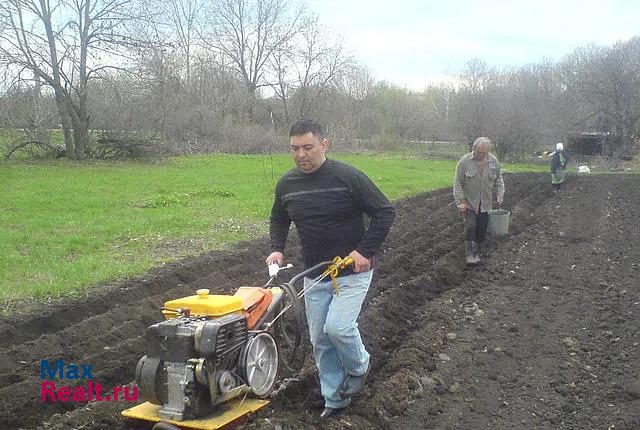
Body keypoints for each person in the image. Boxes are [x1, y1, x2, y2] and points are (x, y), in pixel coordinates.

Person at [265, 119, 395, 419]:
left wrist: (364, 251)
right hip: (314, 273)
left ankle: (359, 365)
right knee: (320, 340)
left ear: (325, 144)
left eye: (307, 147)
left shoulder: (347, 177)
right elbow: (279, 218)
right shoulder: (287, 184)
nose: (301, 155)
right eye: (294, 148)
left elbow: (385, 212)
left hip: (351, 272)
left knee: (338, 328)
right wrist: (277, 246)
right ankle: (334, 400)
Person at [453, 137, 505, 265]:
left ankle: (477, 251)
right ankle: (469, 253)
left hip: (486, 203)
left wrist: (500, 193)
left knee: (482, 229)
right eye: (479, 152)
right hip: (469, 202)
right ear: (474, 149)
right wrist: (460, 201)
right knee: (471, 226)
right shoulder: (464, 162)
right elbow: (457, 183)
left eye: (484, 152)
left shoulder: (493, 162)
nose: (481, 155)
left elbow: (499, 180)